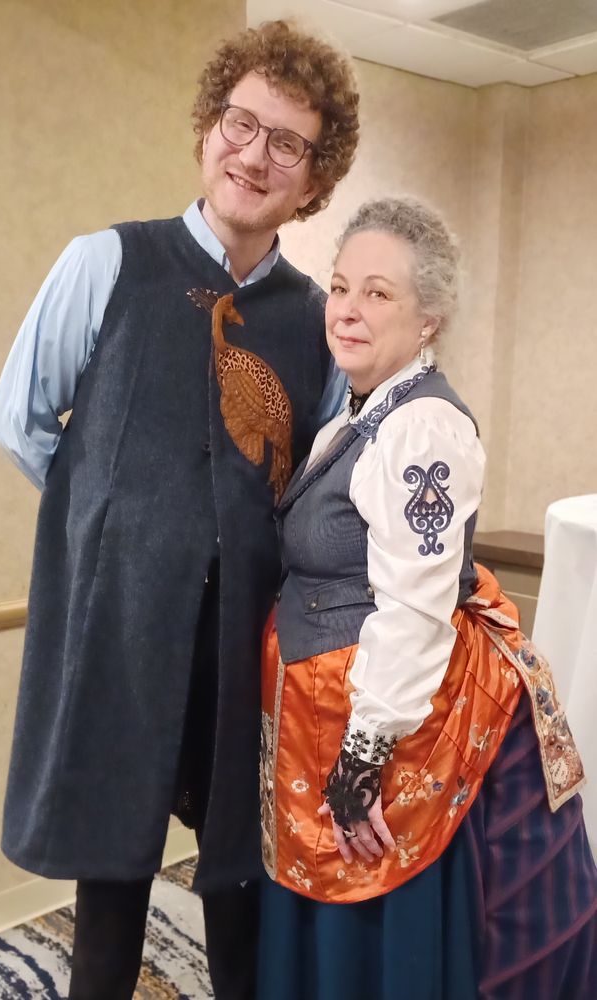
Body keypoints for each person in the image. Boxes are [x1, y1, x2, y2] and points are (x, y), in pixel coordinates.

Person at [0, 20, 359, 1000]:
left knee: (242, 891)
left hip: (244, 649)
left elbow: (317, 487)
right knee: (109, 894)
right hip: (122, 634)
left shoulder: (315, 325)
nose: (256, 153)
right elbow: (20, 422)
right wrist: (120, 532)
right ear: (207, 130)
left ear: (315, 178)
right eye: (242, 123)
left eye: (289, 142)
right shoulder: (103, 264)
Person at [258, 197, 597, 1000]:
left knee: (379, 899)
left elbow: (413, 606)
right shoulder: (354, 413)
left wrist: (366, 754)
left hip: (393, 714)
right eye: (340, 287)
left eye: (378, 293)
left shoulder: (424, 430)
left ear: (429, 317)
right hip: (328, 701)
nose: (347, 309)